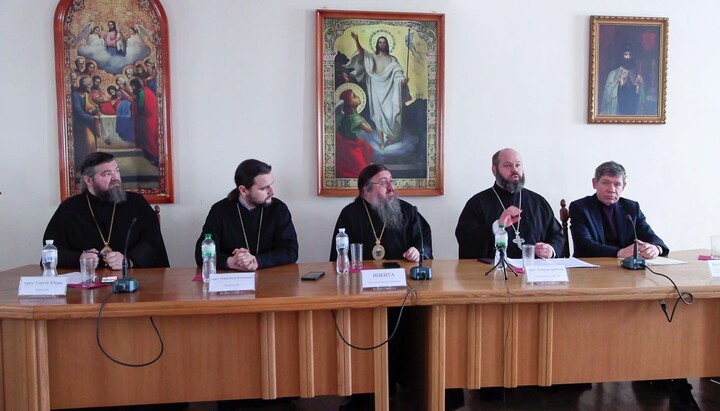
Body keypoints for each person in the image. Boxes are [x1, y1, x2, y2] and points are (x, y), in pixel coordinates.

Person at [43, 152, 169, 270]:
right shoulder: (69, 209)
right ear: (89, 180)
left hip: (131, 280)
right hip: (87, 284)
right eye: (107, 174)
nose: (116, 178)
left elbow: (153, 243)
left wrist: (128, 261)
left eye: (117, 171)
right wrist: (79, 258)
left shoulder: (136, 203)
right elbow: (52, 250)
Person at [455, 148, 564, 259]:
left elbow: (558, 236)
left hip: (533, 272)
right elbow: (466, 240)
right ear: (494, 170)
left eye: (518, 165)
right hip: (493, 272)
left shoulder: (538, 202)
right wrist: (497, 226)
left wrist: (550, 250)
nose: (515, 170)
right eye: (508, 166)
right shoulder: (477, 203)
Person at [194, 159, 298, 271]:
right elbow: (202, 254)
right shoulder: (219, 210)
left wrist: (257, 261)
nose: (272, 192)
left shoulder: (278, 209)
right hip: (231, 282)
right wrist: (231, 261)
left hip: (270, 278)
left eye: (271, 185)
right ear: (243, 190)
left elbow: (291, 251)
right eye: (264, 188)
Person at [330, 164, 430, 262]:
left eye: (391, 181)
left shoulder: (407, 210)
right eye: (383, 183)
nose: (391, 187)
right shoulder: (349, 214)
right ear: (366, 190)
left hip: (402, 274)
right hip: (360, 275)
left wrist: (417, 251)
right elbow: (339, 255)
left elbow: (423, 238)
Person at [569, 161, 668, 259]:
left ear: (623, 186)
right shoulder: (580, 207)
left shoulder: (632, 208)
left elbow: (651, 236)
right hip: (591, 268)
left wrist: (655, 248)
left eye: (617, 184)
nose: (611, 189)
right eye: (605, 183)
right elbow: (583, 245)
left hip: (625, 269)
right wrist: (619, 252)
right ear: (595, 183)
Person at [345, 32, 410, 150]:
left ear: (387, 44)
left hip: (390, 89)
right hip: (376, 88)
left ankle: (391, 138)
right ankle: (382, 143)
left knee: (392, 115)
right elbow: (362, 53)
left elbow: (398, 74)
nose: (382, 44)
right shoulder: (373, 57)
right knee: (378, 116)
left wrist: (402, 82)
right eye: (380, 42)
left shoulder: (392, 59)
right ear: (377, 44)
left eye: (384, 42)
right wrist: (356, 40)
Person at [335, 87, 374, 178]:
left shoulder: (349, 116)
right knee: (358, 164)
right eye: (355, 97)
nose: (358, 98)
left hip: (350, 142)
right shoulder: (355, 118)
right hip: (351, 145)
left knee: (366, 149)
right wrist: (363, 120)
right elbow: (369, 130)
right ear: (350, 103)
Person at [600, 43, 645, 116]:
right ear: (622, 55)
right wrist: (620, 85)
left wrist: (639, 86)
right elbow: (609, 94)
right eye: (626, 54)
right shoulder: (613, 74)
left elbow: (639, 96)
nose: (628, 57)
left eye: (630, 54)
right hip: (619, 108)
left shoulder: (636, 73)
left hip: (632, 108)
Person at [71, 77, 99, 169]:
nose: (90, 86)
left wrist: (93, 111)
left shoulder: (85, 95)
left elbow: (88, 107)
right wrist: (91, 117)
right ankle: (83, 164)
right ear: (83, 85)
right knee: (89, 140)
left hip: (85, 122)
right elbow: (79, 113)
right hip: (79, 124)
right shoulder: (75, 95)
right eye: (88, 84)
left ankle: (89, 163)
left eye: (90, 83)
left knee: (92, 141)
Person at [130, 78, 160, 165]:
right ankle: (152, 157)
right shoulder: (146, 90)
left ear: (134, 85)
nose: (132, 88)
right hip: (150, 118)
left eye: (132, 86)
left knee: (148, 138)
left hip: (146, 119)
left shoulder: (140, 92)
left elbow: (141, 106)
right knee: (149, 138)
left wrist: (132, 102)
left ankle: (153, 157)